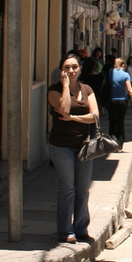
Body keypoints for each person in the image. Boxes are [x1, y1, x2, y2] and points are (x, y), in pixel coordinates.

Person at [47, 52, 99, 244]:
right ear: (61, 71)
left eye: (74, 67)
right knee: (67, 188)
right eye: (66, 67)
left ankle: (81, 229)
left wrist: (75, 119)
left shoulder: (87, 89)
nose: (71, 70)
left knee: (83, 189)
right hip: (61, 146)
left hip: (84, 146)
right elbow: (64, 109)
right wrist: (66, 86)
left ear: (80, 69)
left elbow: (95, 115)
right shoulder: (54, 90)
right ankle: (65, 231)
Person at [108, 57, 132, 147]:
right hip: (122, 101)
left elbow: (104, 84)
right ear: (123, 65)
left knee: (112, 122)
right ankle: (120, 143)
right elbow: (129, 89)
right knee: (120, 122)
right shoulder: (125, 75)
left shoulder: (110, 73)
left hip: (112, 100)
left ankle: (111, 142)